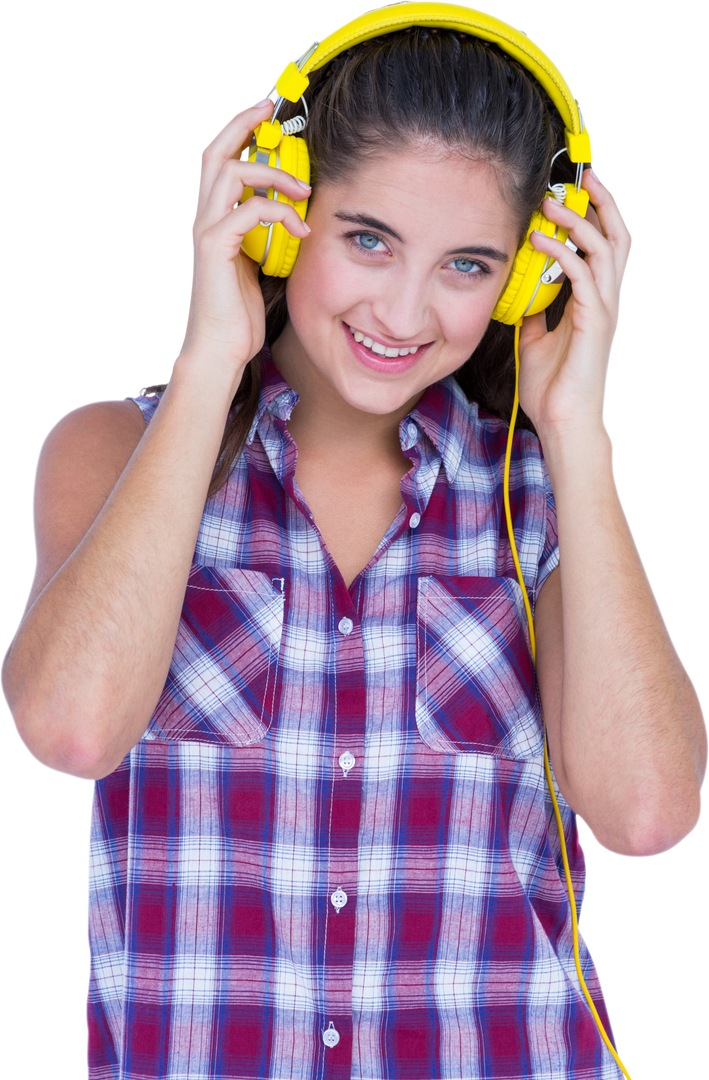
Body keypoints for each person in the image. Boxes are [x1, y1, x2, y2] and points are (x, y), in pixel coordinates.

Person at [1, 6, 706, 1079]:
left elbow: (648, 815)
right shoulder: (111, 450)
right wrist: (209, 359)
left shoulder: (547, 499)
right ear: (281, 216)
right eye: (367, 239)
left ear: (526, 281)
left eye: (470, 266)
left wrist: (578, 432)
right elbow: (69, 732)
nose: (405, 310)